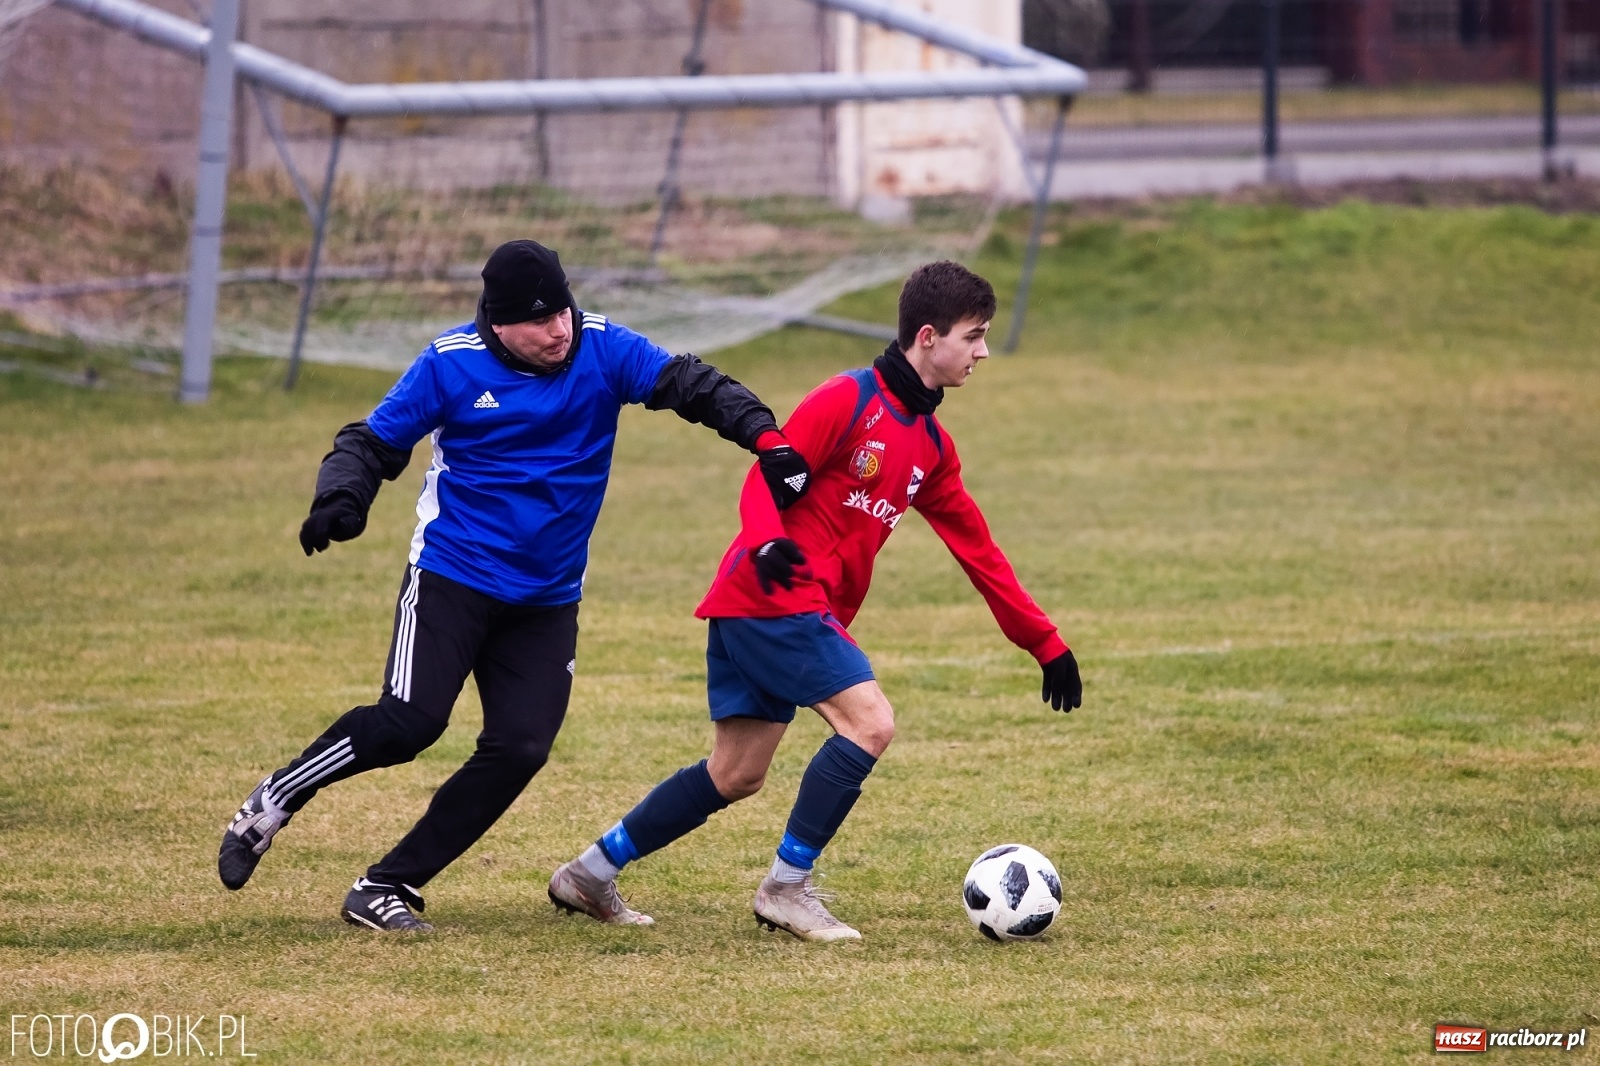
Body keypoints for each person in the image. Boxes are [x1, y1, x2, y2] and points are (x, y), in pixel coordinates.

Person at [217, 239, 812, 933]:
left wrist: (765, 436)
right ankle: (271, 802)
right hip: (452, 577)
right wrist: (341, 497)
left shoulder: (601, 347)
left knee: (521, 748)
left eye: (562, 308)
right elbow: (371, 443)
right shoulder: (451, 363)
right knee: (409, 722)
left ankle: (388, 885)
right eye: (539, 320)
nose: (559, 329)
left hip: (547, 597)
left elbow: (691, 384)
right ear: (499, 323)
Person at [547, 260, 1081, 941]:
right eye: (973, 337)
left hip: (767, 608)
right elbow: (766, 475)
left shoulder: (932, 446)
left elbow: (979, 552)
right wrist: (768, 541)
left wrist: (1045, 642)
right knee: (870, 723)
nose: (981, 352)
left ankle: (589, 872)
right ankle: (787, 888)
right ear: (927, 337)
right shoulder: (847, 401)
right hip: (772, 596)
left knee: (735, 773)